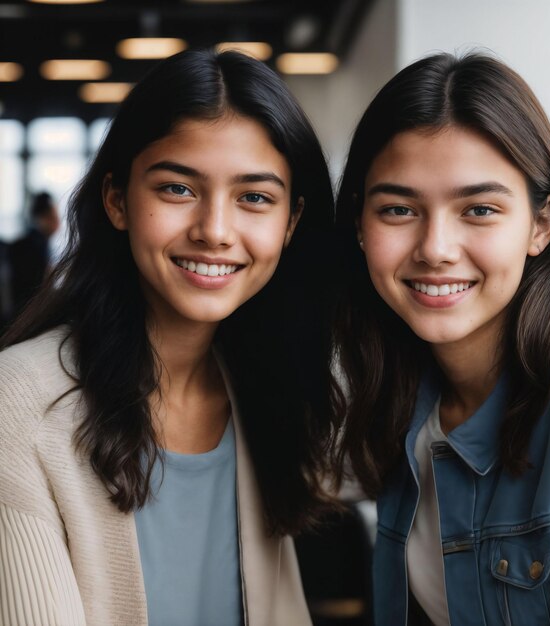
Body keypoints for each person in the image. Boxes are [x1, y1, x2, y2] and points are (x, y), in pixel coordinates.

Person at [0, 48, 340, 626]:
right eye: (177, 189)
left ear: (292, 222)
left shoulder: (276, 388)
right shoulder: (18, 403)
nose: (214, 230)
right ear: (116, 200)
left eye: (254, 197)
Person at [332, 51, 550, 626]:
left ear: (541, 225)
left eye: (480, 209)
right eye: (398, 209)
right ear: (360, 229)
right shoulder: (399, 394)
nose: (436, 248)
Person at [7, 191, 60, 319]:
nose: (58, 222)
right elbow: (37, 290)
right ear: (43, 218)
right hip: (26, 317)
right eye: (54, 216)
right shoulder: (34, 246)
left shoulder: (36, 243)